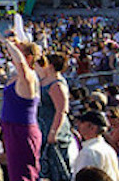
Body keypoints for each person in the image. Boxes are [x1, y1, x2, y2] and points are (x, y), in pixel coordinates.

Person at [0, 36, 42, 181]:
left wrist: (7, 43)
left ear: (28, 58)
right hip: (13, 129)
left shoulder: (28, 76)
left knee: (23, 175)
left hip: (21, 131)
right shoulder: (18, 77)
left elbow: (22, 64)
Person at [35, 53, 75, 181]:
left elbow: (61, 110)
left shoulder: (57, 84)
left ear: (51, 65)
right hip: (42, 126)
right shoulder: (44, 81)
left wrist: (53, 132)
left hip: (53, 129)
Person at [70, 112, 119, 181]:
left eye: (82, 122)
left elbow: (82, 178)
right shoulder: (108, 148)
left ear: (92, 127)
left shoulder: (88, 152)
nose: (78, 125)